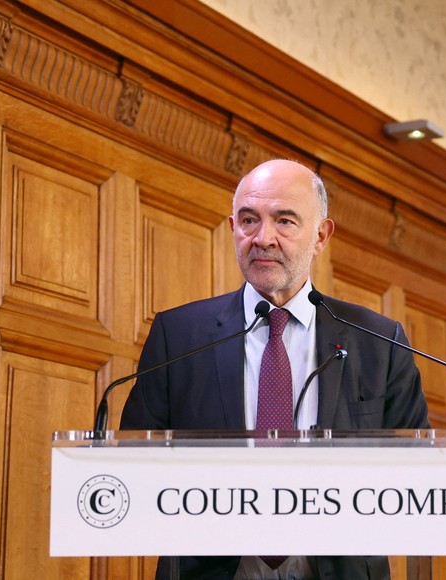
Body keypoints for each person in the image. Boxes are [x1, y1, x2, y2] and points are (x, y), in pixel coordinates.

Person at [120, 159, 430, 579]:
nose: (263, 238)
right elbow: (135, 465)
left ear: (321, 235)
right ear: (233, 227)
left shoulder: (378, 340)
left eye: (284, 221)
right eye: (249, 220)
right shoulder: (179, 336)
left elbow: (418, 476)